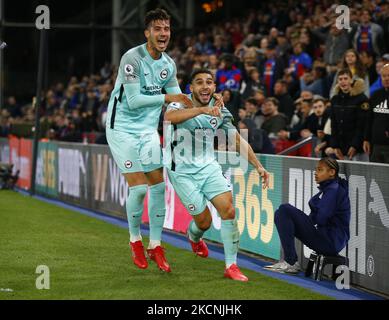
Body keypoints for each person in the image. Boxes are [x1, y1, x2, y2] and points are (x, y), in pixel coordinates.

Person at [105, 9, 194, 273]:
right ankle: (135, 241)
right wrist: (167, 99)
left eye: (166, 28)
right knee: (140, 188)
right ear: (147, 33)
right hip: (121, 128)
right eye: (157, 28)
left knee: (158, 186)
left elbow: (178, 98)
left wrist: (204, 104)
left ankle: (155, 246)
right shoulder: (132, 58)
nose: (163, 33)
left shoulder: (168, 64)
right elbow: (133, 101)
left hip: (146, 131)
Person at [164, 69, 270, 281]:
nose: (205, 86)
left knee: (228, 210)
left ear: (214, 87)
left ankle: (231, 266)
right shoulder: (179, 103)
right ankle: (194, 236)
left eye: (209, 82)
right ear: (191, 88)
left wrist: (258, 165)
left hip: (208, 166)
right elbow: (170, 117)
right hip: (181, 171)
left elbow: (237, 140)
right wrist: (202, 110)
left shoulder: (220, 111)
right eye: (199, 82)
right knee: (204, 222)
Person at [265, 158, 350, 274]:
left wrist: (315, 206)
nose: (316, 173)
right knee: (281, 212)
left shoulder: (333, 190)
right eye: (316, 170)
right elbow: (314, 219)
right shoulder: (330, 189)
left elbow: (321, 218)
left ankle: (291, 262)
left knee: (284, 209)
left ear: (331, 172)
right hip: (329, 240)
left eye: (320, 170)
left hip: (329, 242)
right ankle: (290, 261)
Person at [330, 68, 370, 161]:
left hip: (359, 148)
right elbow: (334, 124)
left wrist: (355, 145)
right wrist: (335, 145)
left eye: (345, 78)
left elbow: (362, 125)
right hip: (341, 148)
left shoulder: (361, 98)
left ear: (351, 80)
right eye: (340, 79)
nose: (343, 81)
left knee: (361, 174)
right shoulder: (335, 99)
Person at [364, 64, 389, 163]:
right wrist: (366, 139)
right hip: (376, 146)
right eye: (383, 76)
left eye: (388, 75)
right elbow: (369, 119)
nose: (386, 78)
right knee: (376, 177)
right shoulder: (375, 95)